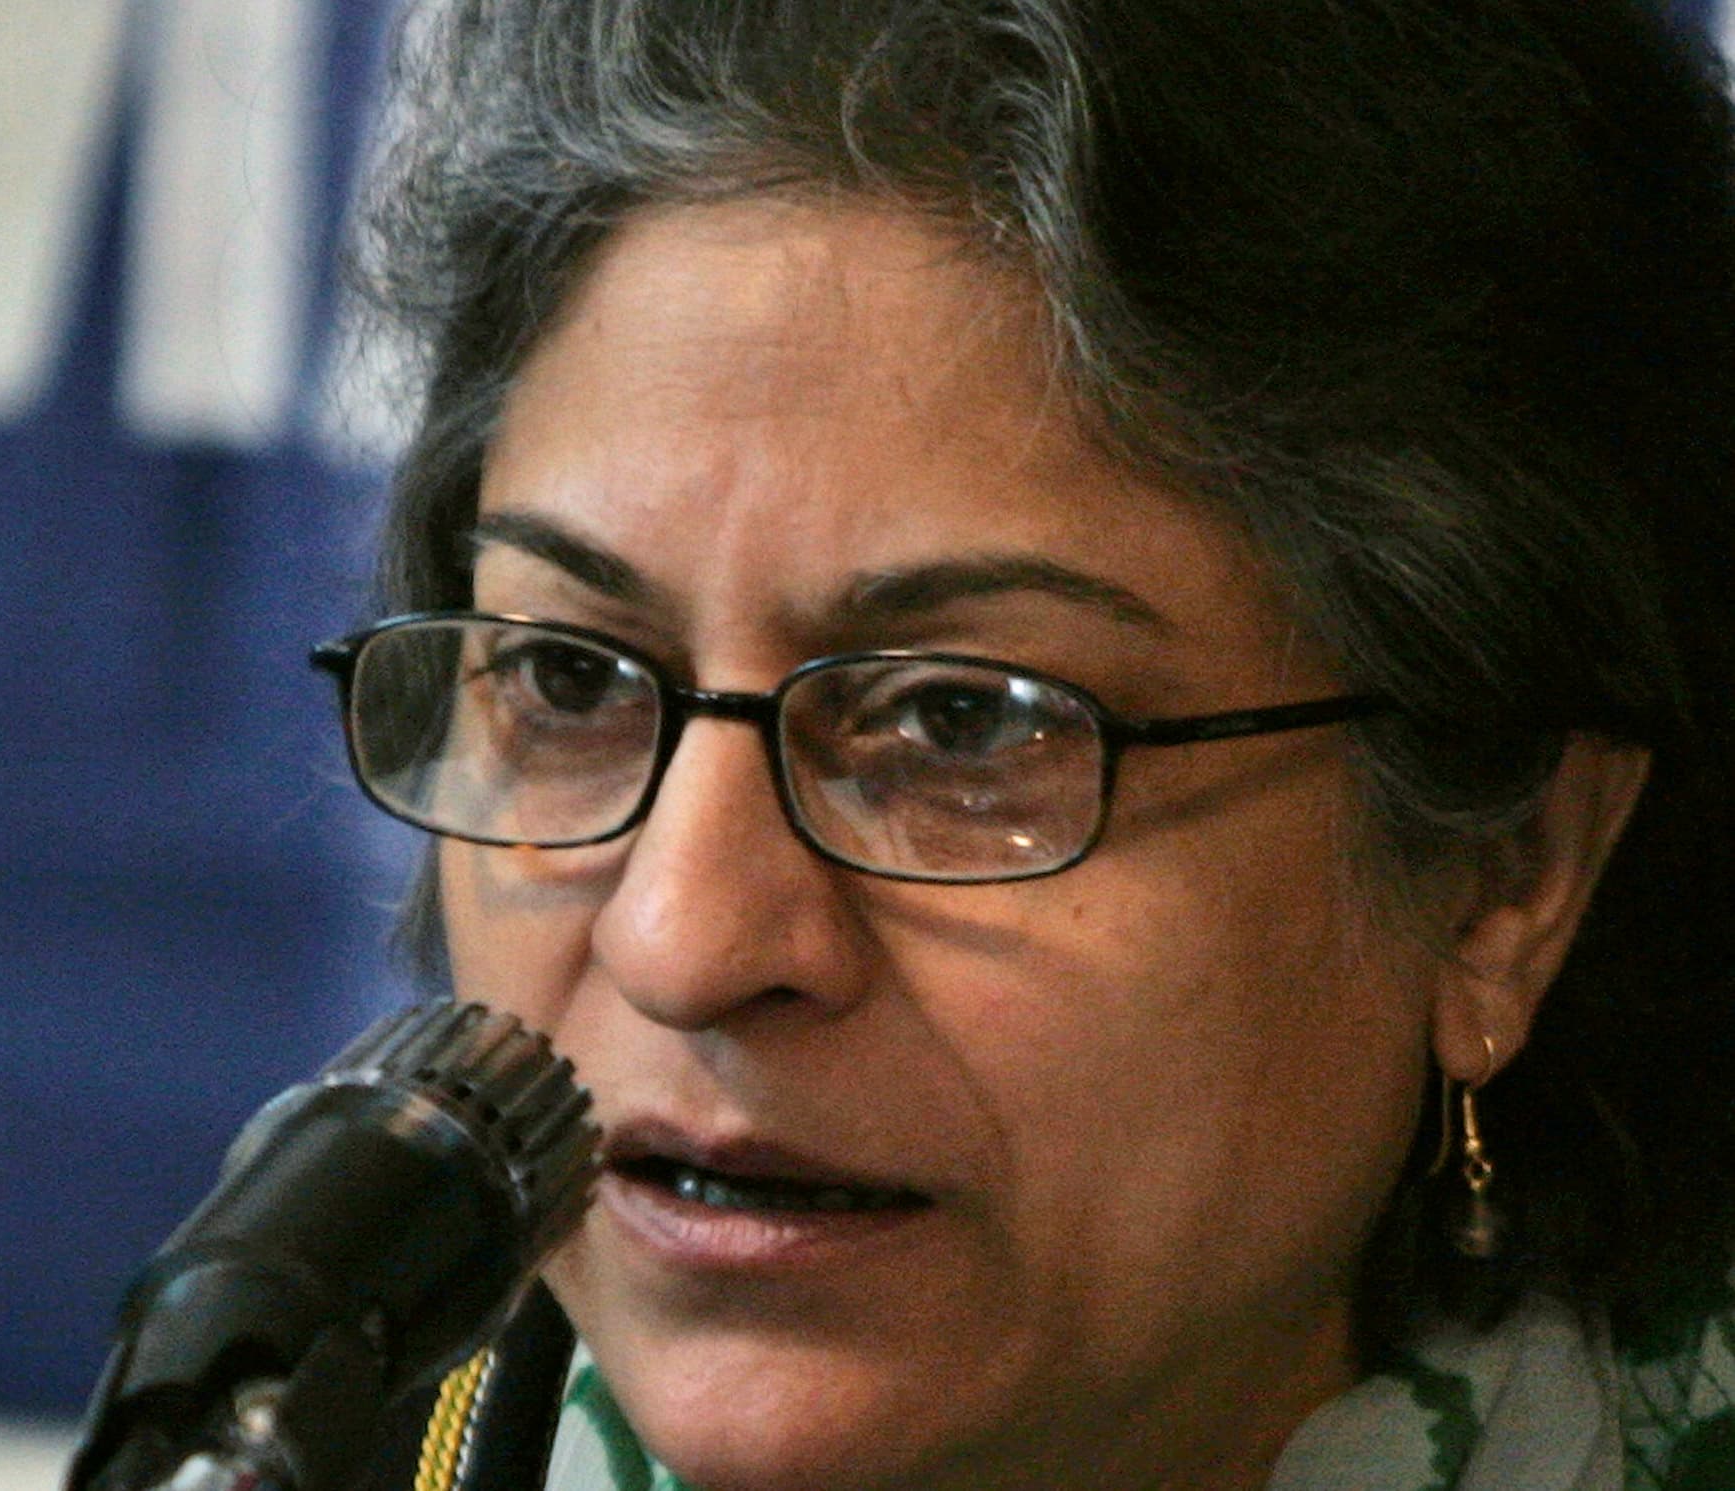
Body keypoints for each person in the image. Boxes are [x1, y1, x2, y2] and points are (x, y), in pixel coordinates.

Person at [317, 0, 1735, 1486]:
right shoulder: (289, 1439)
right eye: (567, 678)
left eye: (959, 721)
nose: (684, 940)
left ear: (1505, 877)